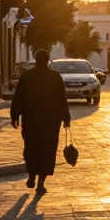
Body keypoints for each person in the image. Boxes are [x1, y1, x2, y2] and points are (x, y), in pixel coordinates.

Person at [10, 49, 71, 194]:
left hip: (31, 119)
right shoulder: (55, 77)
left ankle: (31, 175)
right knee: (47, 150)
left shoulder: (27, 76)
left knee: (31, 147)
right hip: (50, 121)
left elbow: (18, 97)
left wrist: (14, 116)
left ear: (36, 60)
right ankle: (41, 183)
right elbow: (62, 100)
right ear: (48, 60)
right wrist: (66, 119)